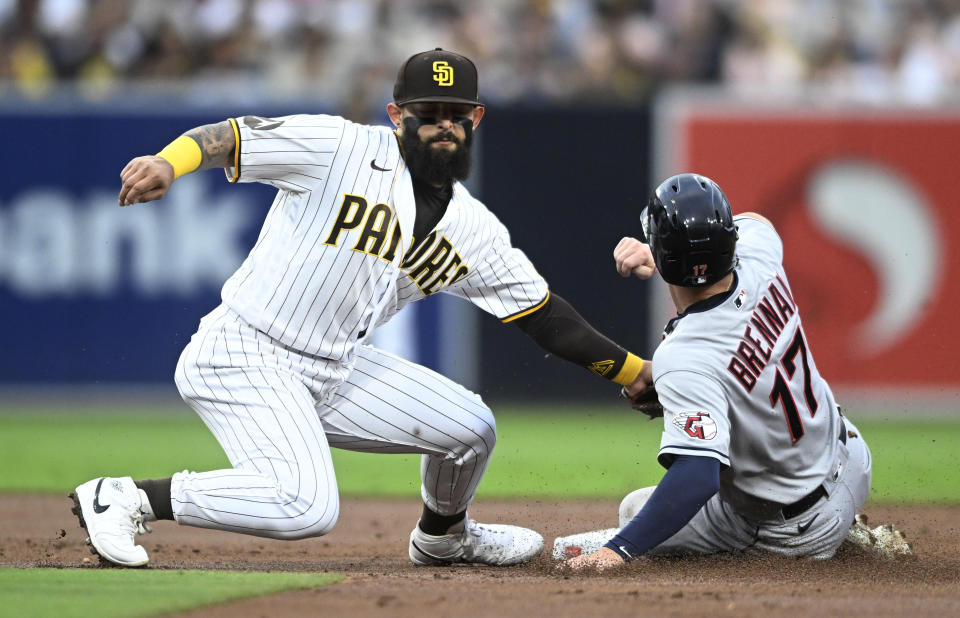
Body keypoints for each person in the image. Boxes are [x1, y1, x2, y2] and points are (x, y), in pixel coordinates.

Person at [69, 48, 651, 568]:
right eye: (428, 110)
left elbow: (547, 318)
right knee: (305, 506)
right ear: (397, 116)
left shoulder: (473, 228)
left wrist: (635, 373)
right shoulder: (339, 147)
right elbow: (232, 136)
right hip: (247, 352)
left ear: (476, 120)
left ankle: (443, 538)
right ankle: (126, 496)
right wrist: (171, 162)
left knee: (472, 429)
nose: (443, 123)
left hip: (336, 368)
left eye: (456, 112)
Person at [560, 173, 871, 570]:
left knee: (634, 511)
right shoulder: (761, 254)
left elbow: (697, 475)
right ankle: (850, 526)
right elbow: (756, 221)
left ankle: (834, 534)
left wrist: (615, 552)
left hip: (797, 530)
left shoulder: (685, 357)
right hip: (851, 457)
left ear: (664, 257)